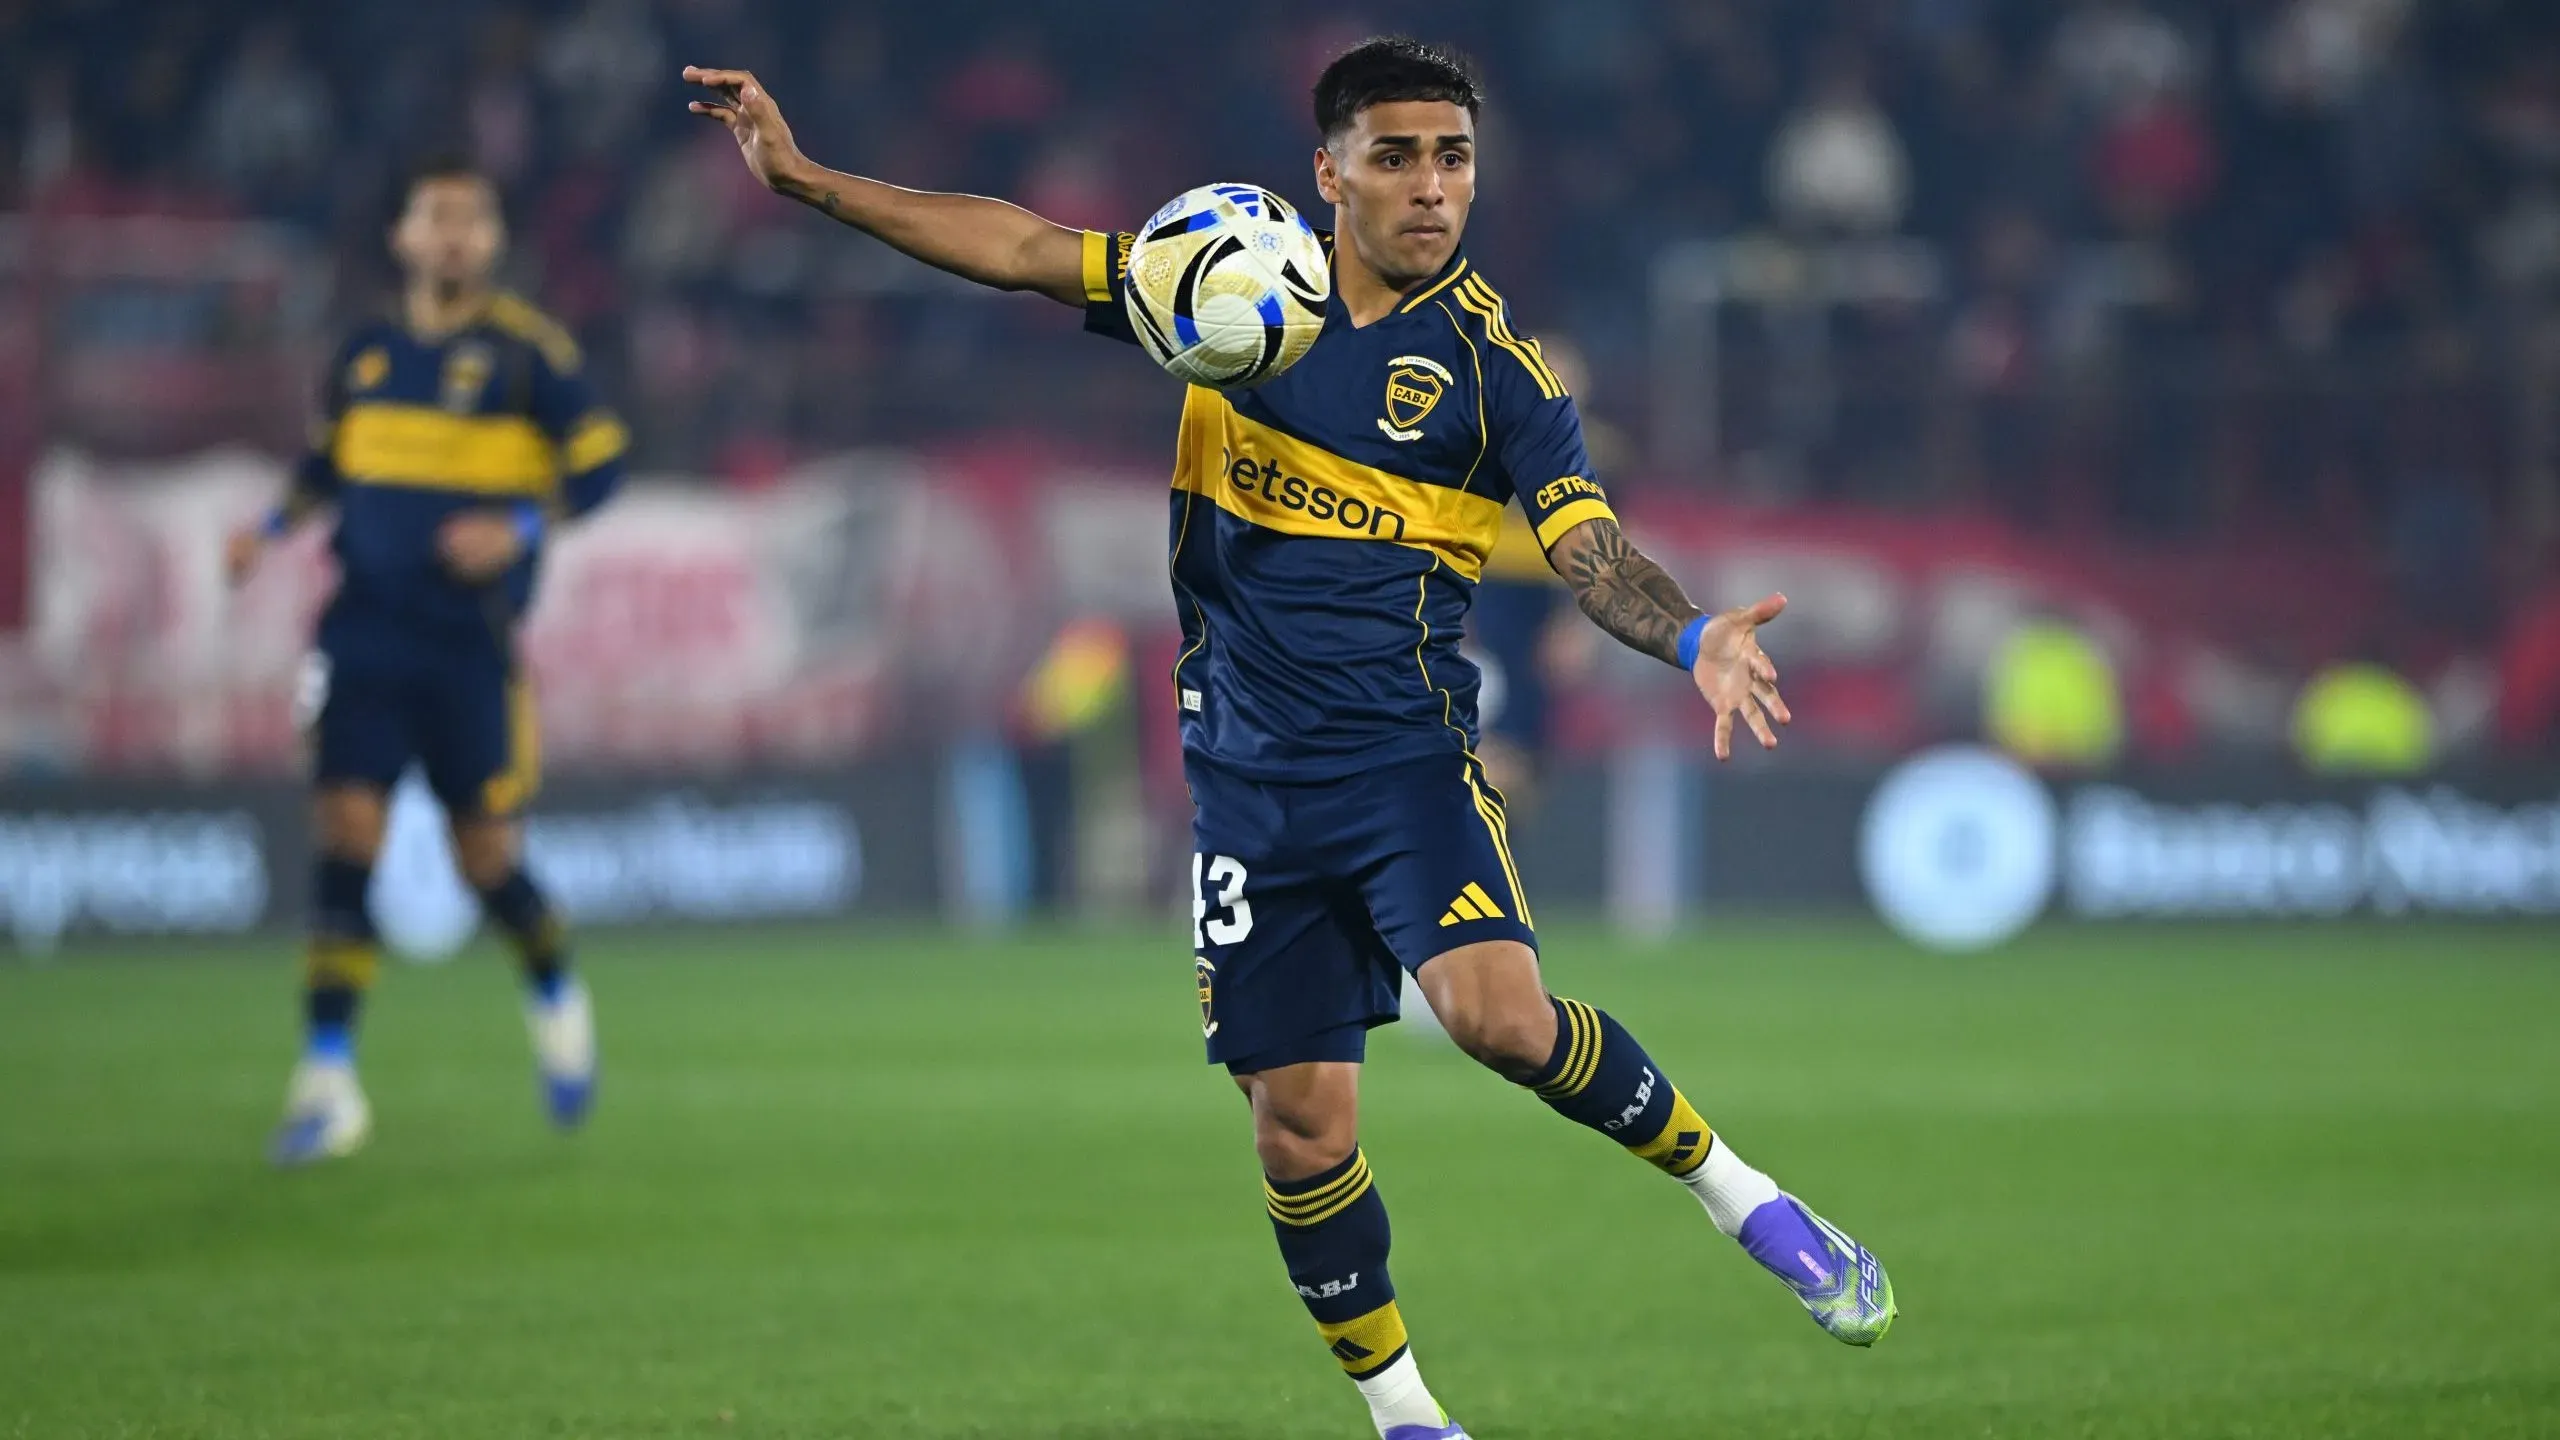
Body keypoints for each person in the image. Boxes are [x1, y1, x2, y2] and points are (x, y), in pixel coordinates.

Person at [686, 38, 1892, 1438]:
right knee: (1301, 1128)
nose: (1432, 187)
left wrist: (1693, 639)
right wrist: (807, 180)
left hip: (1405, 761)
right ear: (1330, 173)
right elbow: (1018, 248)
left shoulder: (1497, 373)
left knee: (1497, 1019)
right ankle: (1410, 1418)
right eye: (1398, 157)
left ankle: (1747, 1201)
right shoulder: (1218, 284)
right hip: (1247, 780)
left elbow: (1589, 548)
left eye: (1453, 158)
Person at [227, 157, 626, 1166]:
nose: (454, 236)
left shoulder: (530, 355)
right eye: (436, 218)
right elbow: (327, 465)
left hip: (468, 644)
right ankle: (327, 1080)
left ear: (494, 242)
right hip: (363, 631)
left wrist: (518, 528)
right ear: (403, 237)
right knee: (345, 832)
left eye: (472, 220)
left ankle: (556, 993)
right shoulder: (364, 354)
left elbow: (604, 464)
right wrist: (266, 529)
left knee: (483, 859)